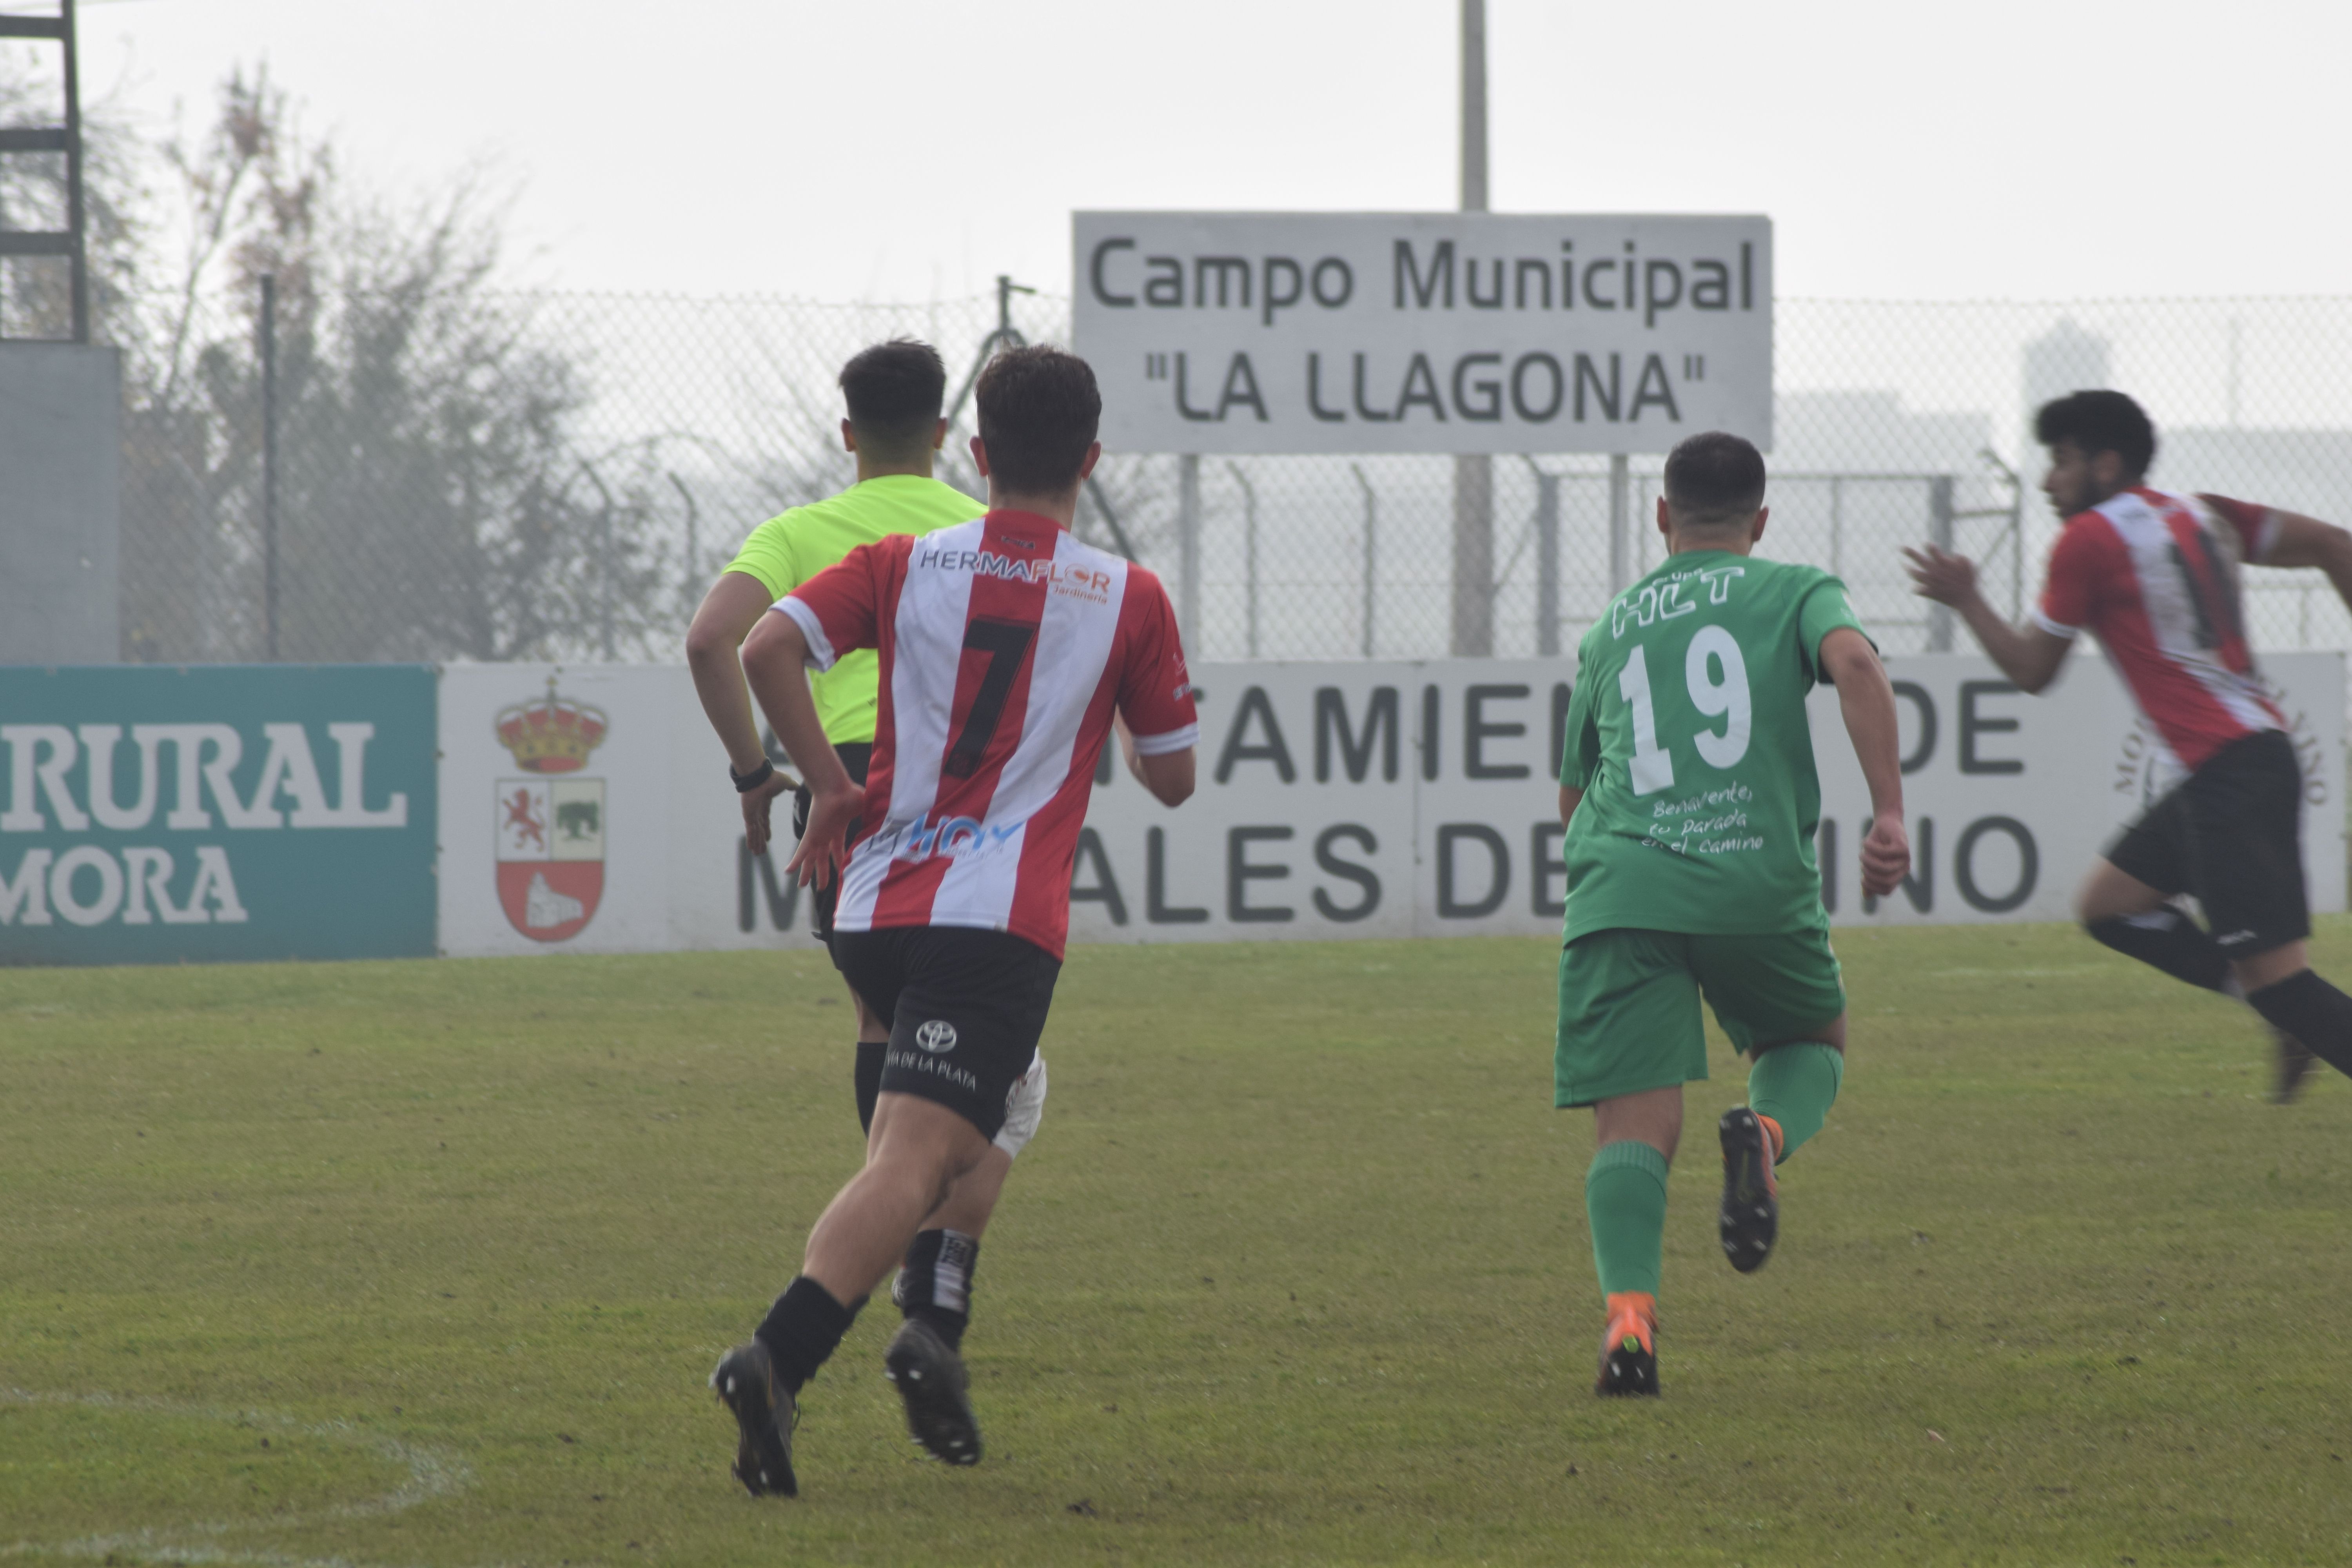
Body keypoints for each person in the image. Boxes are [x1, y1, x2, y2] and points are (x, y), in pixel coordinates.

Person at [708, 344, 1198, 1496]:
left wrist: (828, 784)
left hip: (876, 897)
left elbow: (763, 645)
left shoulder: (900, 561)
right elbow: (1172, 776)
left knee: (990, 1107)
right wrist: (1126, 707)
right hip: (996, 919)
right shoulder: (1127, 595)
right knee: (925, 1154)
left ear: (977, 456)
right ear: (1089, 460)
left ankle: (932, 1317)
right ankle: (778, 1359)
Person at [685, 338, 1014, 1381]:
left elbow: (712, 641)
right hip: (960, 796)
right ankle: (921, 1253)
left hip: (847, 787)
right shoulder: (980, 528)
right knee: (993, 1052)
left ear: (846, 436)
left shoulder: (800, 533)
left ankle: (887, 1206)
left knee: (881, 1013)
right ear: (940, 436)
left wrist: (757, 772)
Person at [1556, 431, 1909, 1397]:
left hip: (1622, 882)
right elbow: (1859, 669)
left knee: (1632, 1121)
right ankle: (1764, 1133)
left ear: (1663, 516)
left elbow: (1573, 794)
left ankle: (1630, 1322)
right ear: (1759, 522)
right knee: (1811, 1035)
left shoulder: (1612, 626)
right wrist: (1888, 811)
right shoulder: (1794, 587)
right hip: (1752, 876)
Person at [1907, 388, 2352, 1103]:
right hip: (2242, 760)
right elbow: (2337, 545)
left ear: (2105, 464)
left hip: (2231, 776)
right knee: (2110, 906)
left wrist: (1967, 600)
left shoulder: (2088, 540)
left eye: (2061, 462)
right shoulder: (2205, 512)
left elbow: (2032, 670)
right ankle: (2274, 1012)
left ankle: (2282, 1012)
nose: (2050, 481)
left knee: (2289, 987)